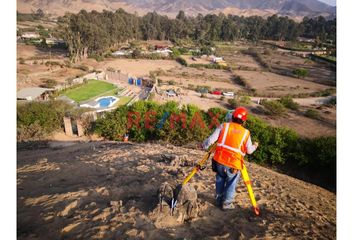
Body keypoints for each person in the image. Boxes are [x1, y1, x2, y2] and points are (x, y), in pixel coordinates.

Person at [202, 106, 258, 210]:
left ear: (232, 116)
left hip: (219, 161)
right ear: (244, 121)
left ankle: (218, 201)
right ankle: (227, 204)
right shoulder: (246, 133)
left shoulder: (223, 126)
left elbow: (210, 140)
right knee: (231, 184)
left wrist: (202, 146)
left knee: (220, 179)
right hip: (234, 165)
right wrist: (255, 146)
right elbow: (249, 151)